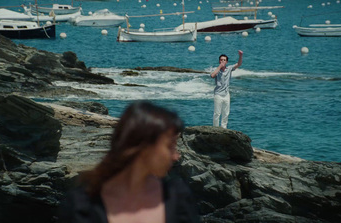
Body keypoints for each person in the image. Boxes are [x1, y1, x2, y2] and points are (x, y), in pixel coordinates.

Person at [57, 101, 201, 223]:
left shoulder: (178, 198)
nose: (176, 156)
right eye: (170, 146)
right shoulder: (81, 205)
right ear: (144, 147)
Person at [211, 50, 243, 129]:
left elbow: (238, 64)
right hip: (218, 94)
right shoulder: (216, 69)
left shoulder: (229, 69)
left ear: (227, 62)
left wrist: (240, 56)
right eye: (221, 60)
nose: (222, 61)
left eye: (224, 60)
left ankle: (224, 128)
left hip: (226, 94)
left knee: (226, 113)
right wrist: (219, 66)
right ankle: (216, 128)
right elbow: (212, 75)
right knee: (217, 113)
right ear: (219, 61)